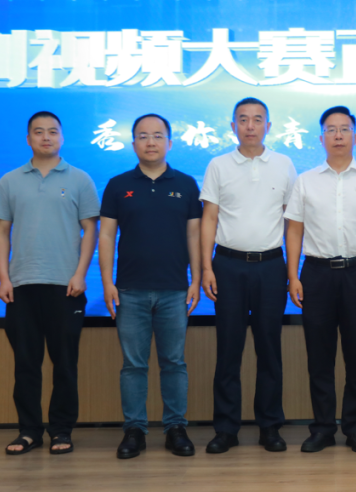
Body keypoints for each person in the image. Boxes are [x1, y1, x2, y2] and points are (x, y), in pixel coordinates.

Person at [285, 106, 356, 454]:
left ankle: (355, 427)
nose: (338, 135)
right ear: (321, 138)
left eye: (344, 129)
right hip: (316, 274)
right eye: (331, 130)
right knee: (319, 358)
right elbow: (294, 230)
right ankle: (322, 428)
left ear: (355, 136)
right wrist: (292, 276)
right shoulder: (306, 181)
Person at [0, 111, 99, 456]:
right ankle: (29, 431)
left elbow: (91, 229)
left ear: (62, 138)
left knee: (65, 364)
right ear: (28, 139)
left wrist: (80, 274)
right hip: (21, 285)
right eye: (38, 132)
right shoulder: (10, 180)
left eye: (52, 131)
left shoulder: (80, 179)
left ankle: (61, 430)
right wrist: (4, 278)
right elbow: (1, 231)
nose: (46, 137)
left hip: (66, 286)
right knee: (26, 364)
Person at [99, 114, 202, 459]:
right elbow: (106, 236)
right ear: (133, 144)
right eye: (143, 136)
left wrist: (196, 280)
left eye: (158, 136)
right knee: (133, 365)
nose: (151, 142)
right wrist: (107, 283)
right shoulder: (118, 185)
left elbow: (194, 235)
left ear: (169, 143)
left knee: (174, 362)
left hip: (175, 289)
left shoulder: (186, 184)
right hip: (130, 290)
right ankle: (135, 430)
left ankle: (176, 428)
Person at [200, 98, 297, 453]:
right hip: (228, 265)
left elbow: (292, 222)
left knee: (269, 348)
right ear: (233, 126)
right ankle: (226, 429)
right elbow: (209, 218)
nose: (250, 126)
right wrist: (206, 267)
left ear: (268, 126)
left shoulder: (284, 165)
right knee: (228, 349)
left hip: (271, 266)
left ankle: (270, 426)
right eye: (243, 120)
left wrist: (292, 273)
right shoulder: (218, 165)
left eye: (258, 120)